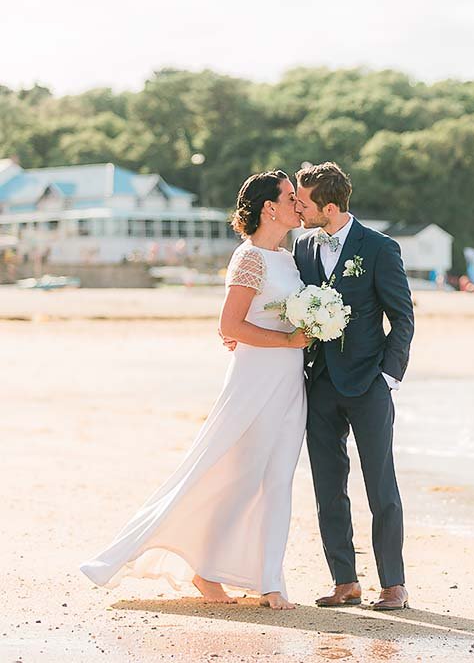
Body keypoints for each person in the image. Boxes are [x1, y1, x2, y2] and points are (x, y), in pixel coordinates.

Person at [80, 171, 310, 610]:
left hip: (289, 380)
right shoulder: (250, 259)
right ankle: (206, 571)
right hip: (255, 378)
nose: (298, 204)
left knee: (279, 479)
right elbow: (231, 326)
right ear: (270, 208)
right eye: (290, 197)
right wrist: (286, 341)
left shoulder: (289, 259)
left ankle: (270, 582)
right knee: (242, 479)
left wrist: (307, 331)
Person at [292, 162, 415, 611]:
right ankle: (345, 581)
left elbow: (402, 316)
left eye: (302, 203)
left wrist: (388, 376)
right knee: (328, 484)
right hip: (320, 382)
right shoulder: (302, 245)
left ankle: (393, 584)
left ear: (328, 205)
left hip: (369, 384)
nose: (296, 209)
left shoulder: (380, 248)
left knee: (380, 483)